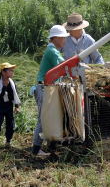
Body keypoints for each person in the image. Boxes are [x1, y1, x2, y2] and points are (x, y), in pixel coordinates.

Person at [32, 25, 70, 156]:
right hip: (43, 87)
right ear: (56, 38)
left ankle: (51, 147)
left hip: (47, 88)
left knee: (50, 117)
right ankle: (36, 150)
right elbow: (64, 66)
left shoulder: (53, 50)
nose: (65, 40)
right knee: (43, 118)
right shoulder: (52, 50)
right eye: (63, 37)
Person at [0, 62, 21, 151]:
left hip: (9, 106)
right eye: (10, 71)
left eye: (12, 71)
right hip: (0, 106)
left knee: (10, 124)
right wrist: (4, 88)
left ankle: (8, 142)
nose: (12, 72)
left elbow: (15, 94)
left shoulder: (12, 83)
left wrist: (17, 106)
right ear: (3, 72)